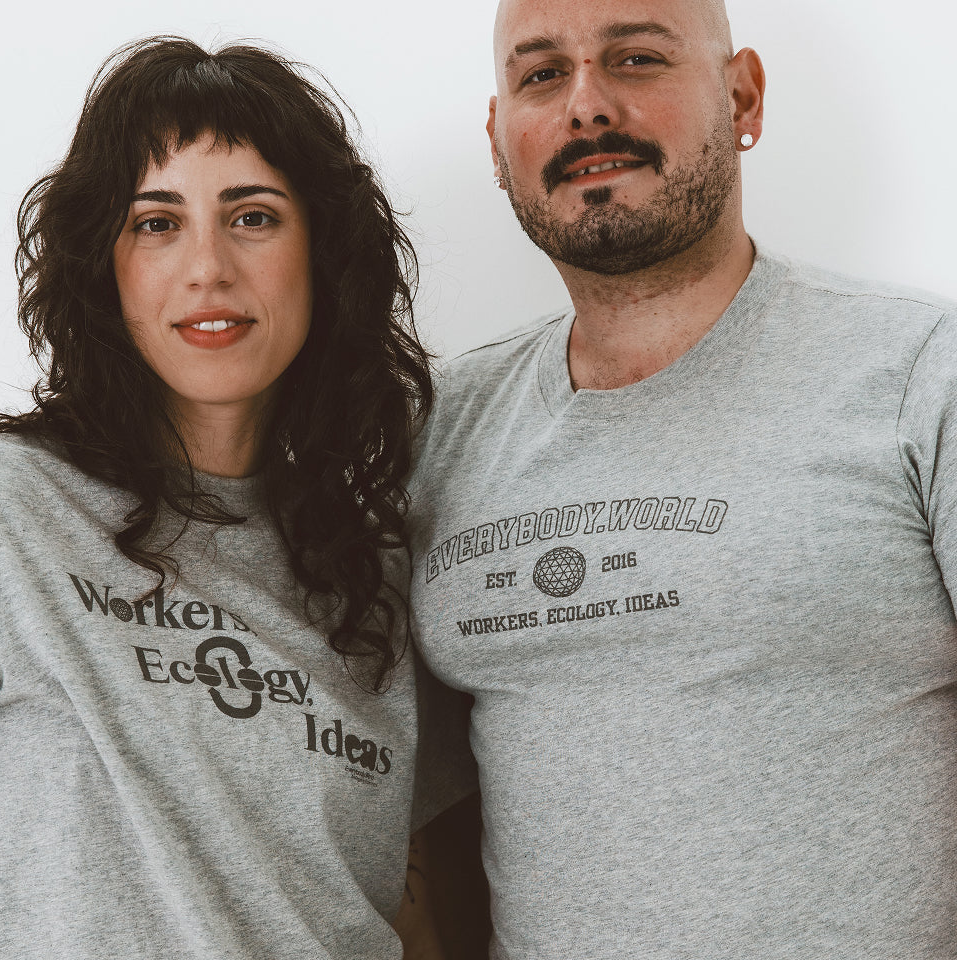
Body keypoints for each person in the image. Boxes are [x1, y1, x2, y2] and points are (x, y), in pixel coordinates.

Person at [407, 0, 957, 956]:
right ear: (500, 141)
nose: (586, 105)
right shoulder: (434, 437)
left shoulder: (922, 374)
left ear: (741, 95)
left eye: (636, 58)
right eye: (540, 74)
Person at [0, 37, 475, 960]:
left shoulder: (378, 568)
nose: (207, 266)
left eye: (252, 216)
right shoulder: (15, 509)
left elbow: (418, 909)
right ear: (106, 264)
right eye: (155, 222)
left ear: (321, 255)